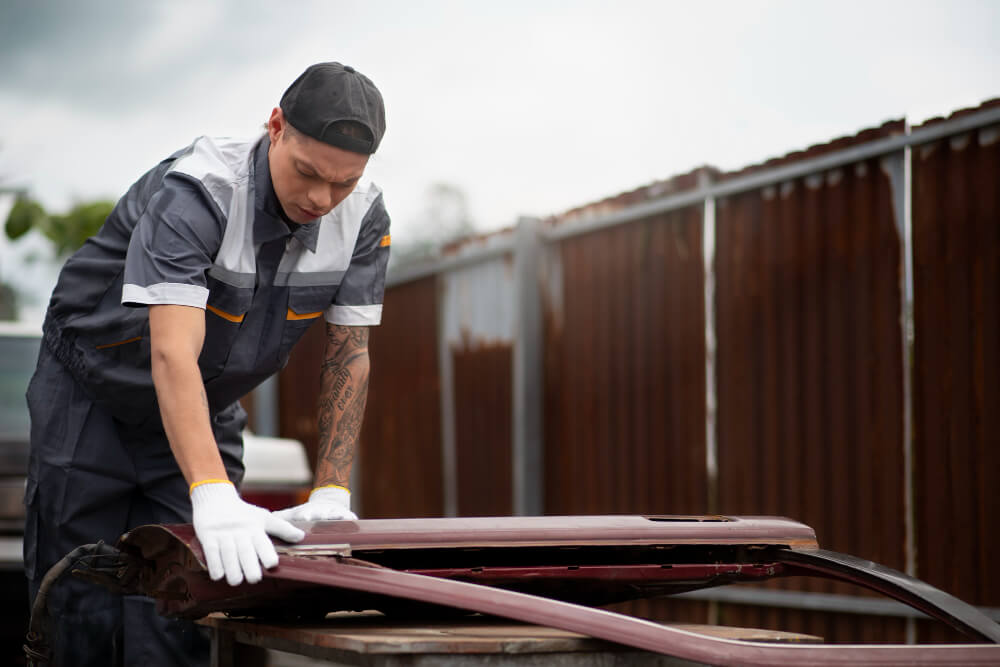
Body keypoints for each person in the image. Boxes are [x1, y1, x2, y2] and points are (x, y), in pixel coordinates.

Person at [24, 62, 390, 666]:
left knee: (183, 605)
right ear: (275, 127)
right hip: (91, 398)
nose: (321, 199)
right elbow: (172, 351)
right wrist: (213, 491)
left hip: (203, 403)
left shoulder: (365, 218)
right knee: (79, 602)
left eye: (343, 183)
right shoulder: (195, 192)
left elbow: (349, 356)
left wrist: (331, 489)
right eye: (306, 173)